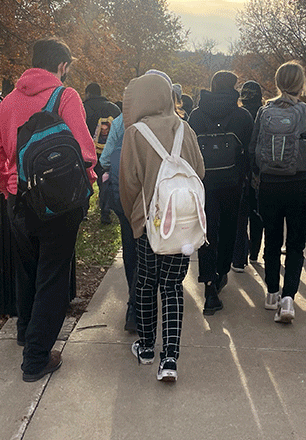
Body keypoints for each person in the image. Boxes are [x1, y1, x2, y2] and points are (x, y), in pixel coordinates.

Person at [0, 38, 97, 383]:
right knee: (53, 277)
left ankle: (25, 331)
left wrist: (8, 185)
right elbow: (85, 152)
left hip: (19, 201)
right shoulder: (66, 97)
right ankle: (37, 357)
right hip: (58, 203)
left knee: (27, 269)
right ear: (62, 66)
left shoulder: (8, 102)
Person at [120, 71, 205, 382]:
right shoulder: (185, 128)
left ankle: (145, 347)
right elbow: (200, 171)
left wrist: (134, 219)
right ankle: (170, 358)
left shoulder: (135, 133)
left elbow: (128, 183)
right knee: (172, 287)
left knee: (145, 282)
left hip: (149, 222)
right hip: (181, 224)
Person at [249, 60, 306, 323]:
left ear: (278, 81)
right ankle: (288, 299)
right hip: (298, 184)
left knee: (272, 240)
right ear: (301, 83)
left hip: (270, 184)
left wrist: (258, 176)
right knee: (295, 245)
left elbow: (252, 149)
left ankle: (271, 292)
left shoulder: (264, 111)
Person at [188, 70, 253, 315]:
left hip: (203, 182)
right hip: (232, 182)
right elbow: (249, 149)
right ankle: (221, 272)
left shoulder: (196, 114)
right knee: (228, 229)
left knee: (207, 232)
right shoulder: (242, 116)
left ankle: (208, 286)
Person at [98, 111, 136, 332]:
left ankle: (134, 304)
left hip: (122, 192)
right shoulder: (170, 120)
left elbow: (105, 159)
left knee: (130, 246)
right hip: (154, 197)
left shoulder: (121, 121)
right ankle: (143, 300)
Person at [235, 80, 265, 268]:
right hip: (260, 171)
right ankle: (255, 252)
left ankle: (241, 255)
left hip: (240, 169)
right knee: (257, 214)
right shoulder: (264, 113)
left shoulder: (239, 115)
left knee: (241, 214)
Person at [83, 83, 121, 225]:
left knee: (86, 180)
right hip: (109, 152)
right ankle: (106, 213)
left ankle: (84, 211)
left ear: (88, 93)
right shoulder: (113, 108)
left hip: (87, 152)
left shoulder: (83, 108)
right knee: (105, 181)